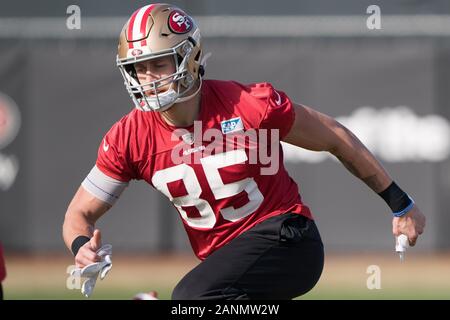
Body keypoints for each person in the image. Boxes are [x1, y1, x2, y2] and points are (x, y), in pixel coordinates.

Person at [62, 3, 426, 300]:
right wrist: (82, 246)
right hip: (226, 265)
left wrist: (399, 201)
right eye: (138, 69)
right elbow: (78, 214)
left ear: (190, 58)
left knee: (190, 299)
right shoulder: (130, 136)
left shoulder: (249, 105)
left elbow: (333, 135)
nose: (149, 79)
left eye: (158, 64)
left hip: (288, 239)